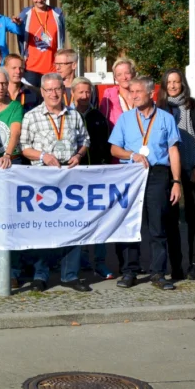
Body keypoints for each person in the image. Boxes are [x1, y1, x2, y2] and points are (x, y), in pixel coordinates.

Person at [18, 73, 91, 292]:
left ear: (64, 90)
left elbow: (84, 140)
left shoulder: (74, 115)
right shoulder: (31, 116)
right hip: (43, 180)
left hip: (69, 180)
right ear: (42, 92)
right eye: (48, 90)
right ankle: (41, 275)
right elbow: (24, 147)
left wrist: (78, 155)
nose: (53, 93)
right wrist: (42, 156)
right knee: (44, 228)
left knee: (72, 227)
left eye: (57, 89)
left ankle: (70, 275)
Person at [110, 76, 183, 292]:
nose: (133, 95)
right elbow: (114, 149)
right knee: (131, 225)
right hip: (131, 174)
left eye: (137, 92)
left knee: (157, 225)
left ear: (150, 93)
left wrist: (177, 181)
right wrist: (132, 155)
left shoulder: (166, 118)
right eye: (131, 92)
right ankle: (129, 271)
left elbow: (173, 150)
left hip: (158, 174)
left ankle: (158, 273)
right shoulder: (125, 119)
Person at [158, 68, 195, 281]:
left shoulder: (194, 106)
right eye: (169, 82)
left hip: (192, 168)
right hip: (168, 172)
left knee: (193, 216)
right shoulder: (160, 108)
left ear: (183, 84)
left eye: (176, 82)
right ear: (164, 85)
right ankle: (176, 264)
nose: (173, 86)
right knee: (170, 219)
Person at [71, 76, 115, 281]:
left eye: (87, 92)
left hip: (96, 174)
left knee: (99, 220)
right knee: (75, 221)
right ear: (72, 93)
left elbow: (106, 145)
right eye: (80, 92)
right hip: (73, 175)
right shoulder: (66, 114)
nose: (84, 96)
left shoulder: (98, 117)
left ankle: (99, 262)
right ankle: (77, 263)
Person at [17, 0, 65, 87]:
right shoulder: (25, 15)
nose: (39, 0)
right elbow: (18, 33)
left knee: (52, 100)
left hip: (53, 69)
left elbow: (62, 38)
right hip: (31, 69)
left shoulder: (57, 13)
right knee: (32, 101)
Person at [99, 57, 136, 130]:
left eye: (127, 73)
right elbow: (103, 124)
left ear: (133, 74)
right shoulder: (109, 96)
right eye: (119, 75)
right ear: (115, 78)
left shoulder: (142, 95)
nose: (124, 77)